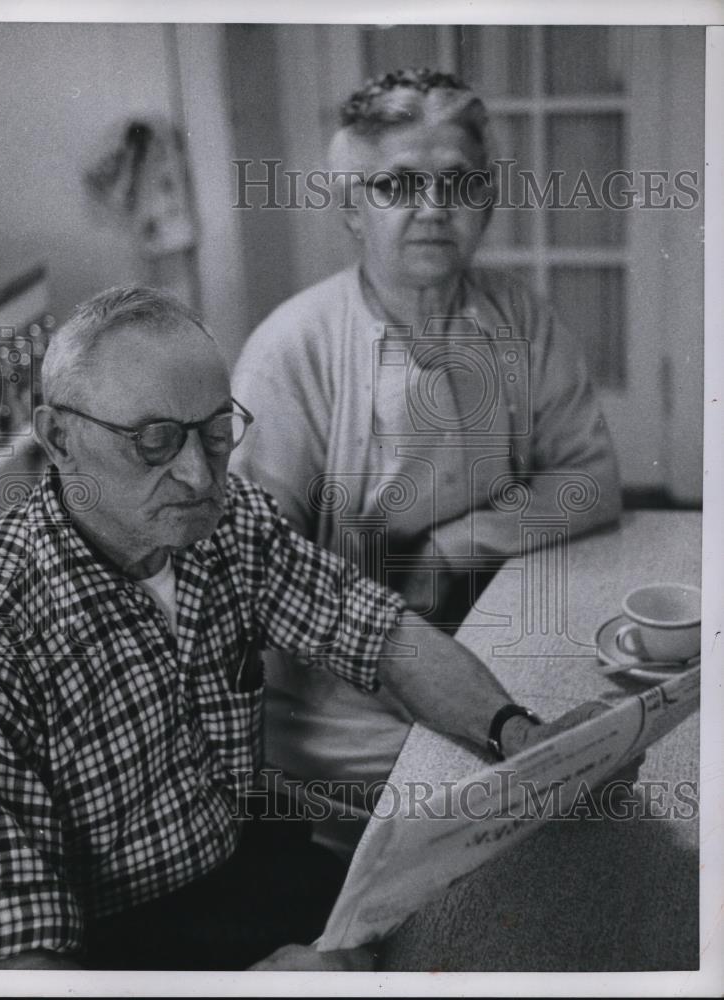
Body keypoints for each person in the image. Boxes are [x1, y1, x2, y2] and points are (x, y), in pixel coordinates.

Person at [0, 284, 608, 972]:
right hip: (115, 946)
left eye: (216, 435)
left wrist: (517, 735)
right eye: (153, 442)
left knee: (478, 924)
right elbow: (24, 964)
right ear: (58, 438)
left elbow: (379, 633)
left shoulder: (226, 519)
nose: (196, 475)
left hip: (238, 864)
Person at [231, 68, 622, 821]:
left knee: (612, 738)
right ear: (351, 207)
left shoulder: (520, 315)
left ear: (488, 198)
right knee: (532, 810)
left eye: (458, 183)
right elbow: (255, 570)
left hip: (496, 627)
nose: (434, 209)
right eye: (397, 185)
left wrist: (455, 545)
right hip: (342, 697)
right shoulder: (291, 350)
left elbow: (591, 478)